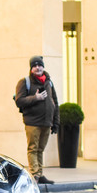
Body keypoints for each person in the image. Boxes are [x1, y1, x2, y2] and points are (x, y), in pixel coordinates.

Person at [14, 55, 60, 184]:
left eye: (39, 65)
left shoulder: (49, 82)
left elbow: (55, 102)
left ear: (43, 67)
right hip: (32, 122)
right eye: (34, 66)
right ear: (31, 68)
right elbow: (19, 101)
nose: (37, 68)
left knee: (40, 149)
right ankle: (34, 174)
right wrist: (36, 98)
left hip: (46, 121)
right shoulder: (25, 82)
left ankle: (39, 173)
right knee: (33, 148)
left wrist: (56, 122)